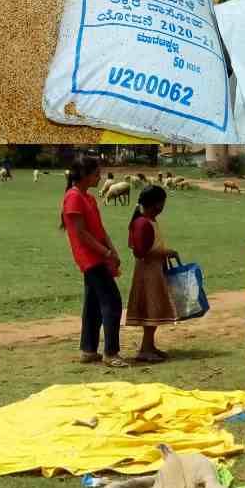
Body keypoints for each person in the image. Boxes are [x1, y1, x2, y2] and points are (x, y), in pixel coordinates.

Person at [60, 156, 128, 369]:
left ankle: (88, 350)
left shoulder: (88, 198)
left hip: (99, 254)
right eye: (96, 174)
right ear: (85, 175)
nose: (100, 177)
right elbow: (81, 234)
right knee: (112, 302)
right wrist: (106, 253)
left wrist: (112, 250)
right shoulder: (73, 198)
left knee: (93, 304)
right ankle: (111, 352)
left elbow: (99, 228)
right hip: (90, 257)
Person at [126, 185, 178, 362]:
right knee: (151, 310)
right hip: (148, 271)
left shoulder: (148, 221)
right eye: (162, 203)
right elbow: (140, 252)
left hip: (154, 269)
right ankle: (144, 349)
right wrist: (166, 253)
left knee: (153, 310)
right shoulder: (143, 224)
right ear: (156, 204)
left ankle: (149, 346)